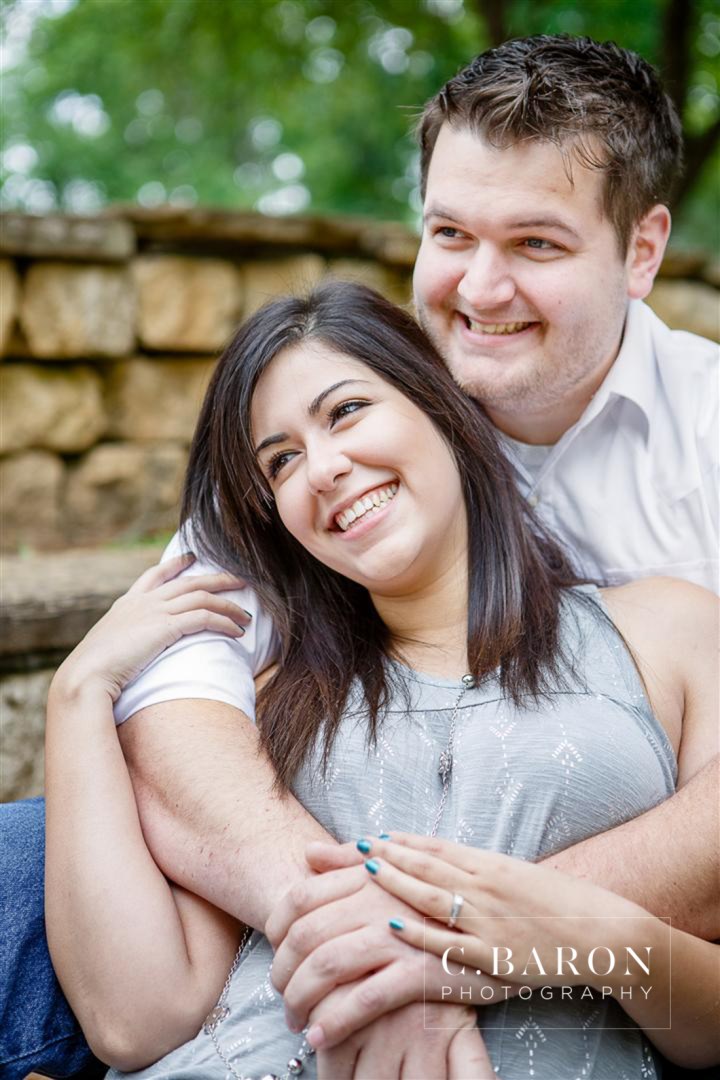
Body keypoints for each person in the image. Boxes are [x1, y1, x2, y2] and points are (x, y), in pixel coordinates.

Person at [0, 33, 718, 1079]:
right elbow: (177, 683)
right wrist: (373, 944)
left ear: (642, 252)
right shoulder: (360, 381)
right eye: (449, 232)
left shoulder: (699, 454)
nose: (478, 288)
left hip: (599, 937)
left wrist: (468, 936)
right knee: (29, 863)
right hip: (281, 962)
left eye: (538, 245)